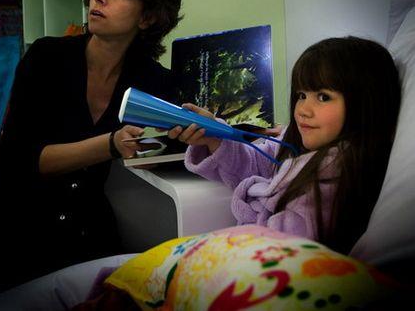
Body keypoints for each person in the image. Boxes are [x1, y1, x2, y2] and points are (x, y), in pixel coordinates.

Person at [0, 0, 182, 291]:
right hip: (17, 232)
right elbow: (20, 161)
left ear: (147, 17)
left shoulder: (155, 80)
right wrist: (110, 144)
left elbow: (158, 150)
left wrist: (186, 134)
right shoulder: (47, 57)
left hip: (89, 234)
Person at [170, 36, 401, 254]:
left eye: (323, 97)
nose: (303, 110)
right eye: (301, 95)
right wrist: (214, 136)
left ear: (364, 105)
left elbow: (281, 250)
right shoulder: (295, 139)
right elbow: (257, 162)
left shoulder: (334, 174)